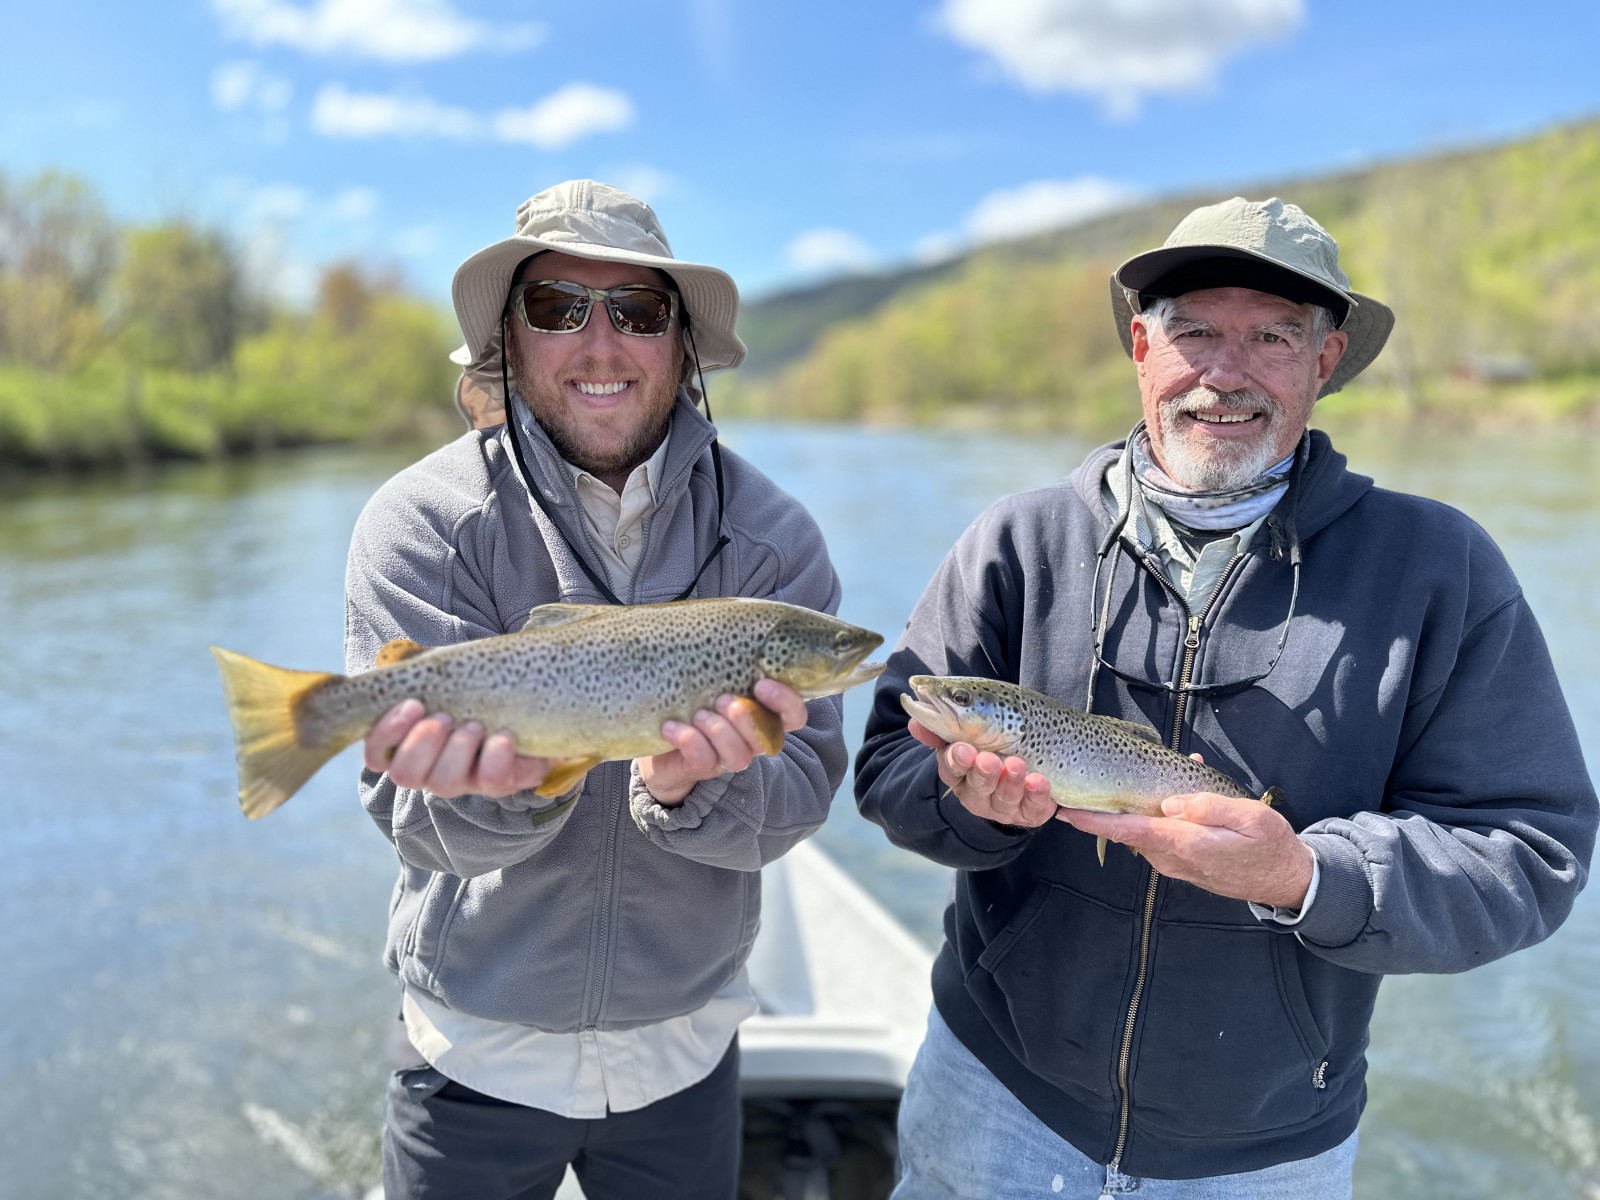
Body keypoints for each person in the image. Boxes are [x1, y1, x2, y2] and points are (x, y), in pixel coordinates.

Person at [855, 196, 1597, 1198]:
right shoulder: (1015, 543)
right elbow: (890, 765)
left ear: (1324, 362)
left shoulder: (1439, 569)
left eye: (1271, 337)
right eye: (1193, 330)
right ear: (1139, 347)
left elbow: (1528, 853)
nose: (1224, 371)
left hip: (1267, 1158)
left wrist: (1305, 875)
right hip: (993, 1099)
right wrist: (962, 803)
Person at [344, 180, 848, 1200]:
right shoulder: (421, 525)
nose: (600, 343)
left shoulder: (774, 540)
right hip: (472, 1055)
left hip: (688, 1052)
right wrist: (517, 783)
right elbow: (412, 822)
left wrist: (684, 789)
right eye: (556, 307)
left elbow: (795, 801)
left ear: (681, 344)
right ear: (509, 340)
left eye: (638, 311)